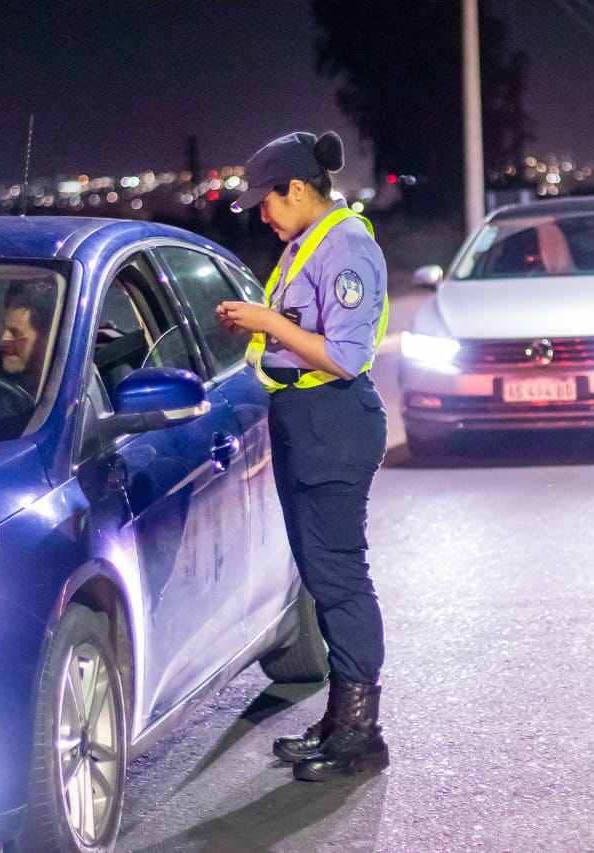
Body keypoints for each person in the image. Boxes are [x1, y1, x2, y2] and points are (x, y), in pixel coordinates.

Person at [216, 130, 390, 782]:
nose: (262, 213)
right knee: (323, 575)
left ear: (297, 188)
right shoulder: (305, 245)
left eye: (267, 200)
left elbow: (344, 354)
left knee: (341, 580)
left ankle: (359, 732)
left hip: (333, 420)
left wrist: (269, 324)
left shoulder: (345, 247)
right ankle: (338, 722)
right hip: (304, 418)